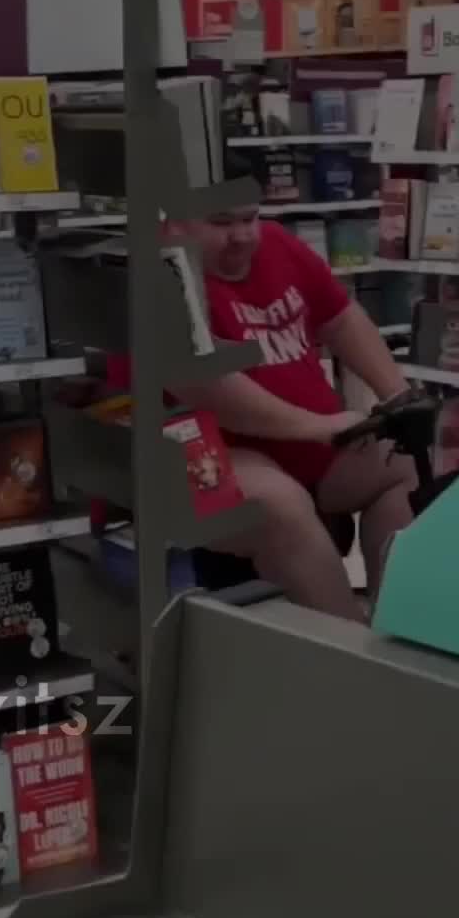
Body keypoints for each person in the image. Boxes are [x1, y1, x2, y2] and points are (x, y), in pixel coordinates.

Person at [172, 200, 415, 622]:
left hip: (312, 441)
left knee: (405, 457)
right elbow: (208, 387)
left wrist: (398, 396)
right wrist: (315, 426)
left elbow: (341, 319)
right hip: (194, 451)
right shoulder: (163, 275)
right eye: (221, 221)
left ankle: (395, 622)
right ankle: (347, 645)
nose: (242, 236)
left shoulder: (279, 243)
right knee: (276, 504)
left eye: (249, 218)